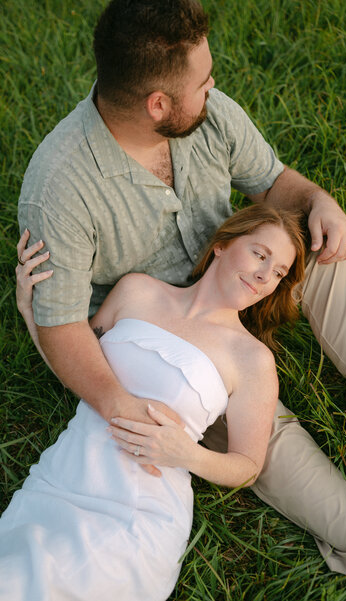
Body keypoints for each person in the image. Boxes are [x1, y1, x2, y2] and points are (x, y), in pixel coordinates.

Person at [16, 0, 346, 594]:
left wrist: (318, 198)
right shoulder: (59, 186)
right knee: (257, 426)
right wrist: (128, 408)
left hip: (240, 263)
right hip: (165, 330)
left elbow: (275, 183)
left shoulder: (208, 115)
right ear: (158, 104)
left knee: (321, 252)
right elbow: (64, 327)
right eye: (202, 82)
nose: (213, 87)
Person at [2, 206, 303, 600]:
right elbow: (77, 371)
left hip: (138, 510)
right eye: (260, 254)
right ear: (222, 246)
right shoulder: (137, 291)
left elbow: (247, 467)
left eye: (279, 272)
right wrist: (31, 311)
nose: (265, 276)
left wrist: (187, 454)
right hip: (62, 479)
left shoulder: (252, 360)